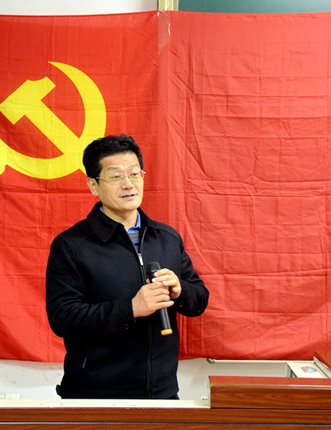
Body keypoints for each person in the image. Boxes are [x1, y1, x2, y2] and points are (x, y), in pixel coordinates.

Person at [46, 134, 209, 399]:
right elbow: (63, 318)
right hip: (95, 394)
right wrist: (131, 308)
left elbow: (199, 300)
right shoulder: (71, 245)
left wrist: (180, 290)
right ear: (93, 185)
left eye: (134, 174)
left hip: (162, 392)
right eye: (115, 176)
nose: (128, 184)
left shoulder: (166, 237)